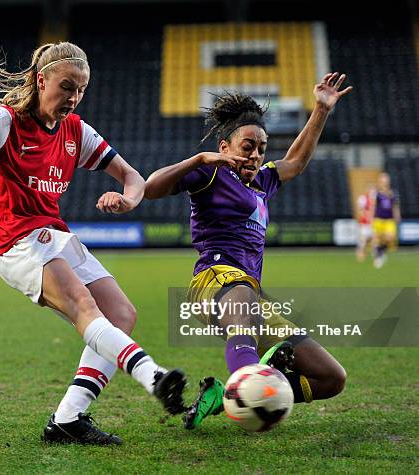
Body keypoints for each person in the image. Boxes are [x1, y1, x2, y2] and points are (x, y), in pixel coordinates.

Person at [0, 34, 186, 445]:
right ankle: (153, 375)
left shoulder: (74, 130)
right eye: (67, 86)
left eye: (81, 89)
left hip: (53, 234)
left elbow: (133, 176)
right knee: (84, 307)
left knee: (121, 313)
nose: (74, 96)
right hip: (14, 241)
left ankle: (68, 420)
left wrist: (128, 199)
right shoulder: (7, 121)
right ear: (40, 80)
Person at [144, 73, 351, 429]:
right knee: (242, 298)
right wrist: (198, 161)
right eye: (247, 146)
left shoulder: (263, 182)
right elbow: (151, 189)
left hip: (252, 297)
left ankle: (229, 398)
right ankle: (252, 383)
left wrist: (320, 109)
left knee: (331, 378)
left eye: (261, 148)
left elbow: (297, 161)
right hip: (214, 281)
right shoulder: (211, 175)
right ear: (224, 147)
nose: (255, 155)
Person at [369, 172, 400, 269]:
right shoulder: (376, 193)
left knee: (390, 238)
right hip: (378, 219)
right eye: (383, 180)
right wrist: (371, 217)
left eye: (386, 180)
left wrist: (397, 215)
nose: (385, 182)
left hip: (389, 219)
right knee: (377, 240)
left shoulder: (393, 193)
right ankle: (378, 255)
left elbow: (395, 206)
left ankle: (380, 252)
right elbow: (373, 206)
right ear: (380, 182)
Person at [355, 185, 374, 262]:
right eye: (370, 189)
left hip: (372, 224)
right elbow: (360, 210)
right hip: (364, 223)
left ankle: (375, 256)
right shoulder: (362, 198)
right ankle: (360, 255)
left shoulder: (374, 200)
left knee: (373, 241)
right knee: (363, 241)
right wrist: (366, 216)